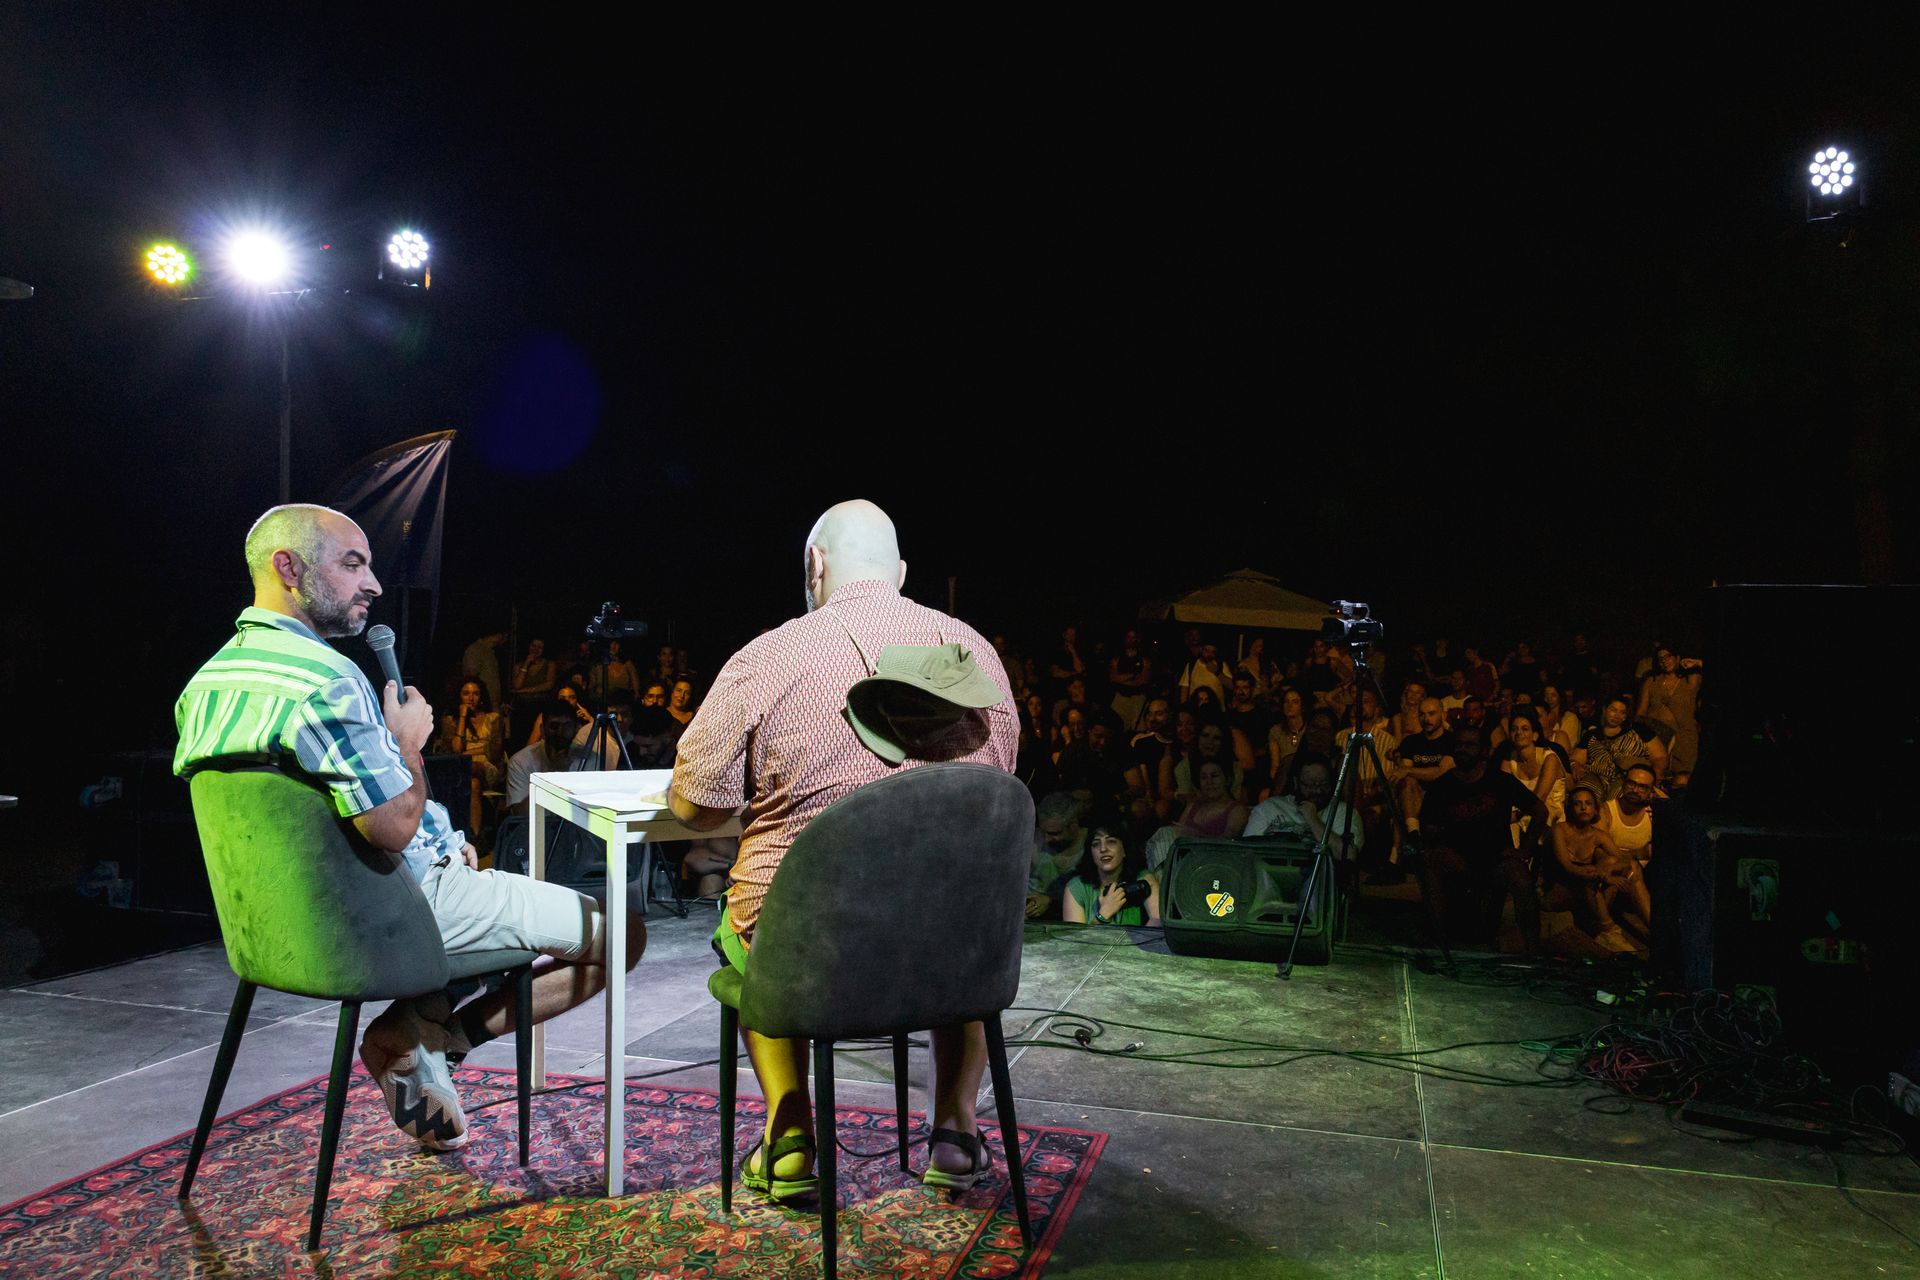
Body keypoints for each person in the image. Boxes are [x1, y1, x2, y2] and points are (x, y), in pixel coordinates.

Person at [175, 504, 642, 1152]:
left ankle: (417, 1028)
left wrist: (443, 841)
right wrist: (409, 744)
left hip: (280, 933)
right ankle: (445, 1039)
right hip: (393, 919)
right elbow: (393, 828)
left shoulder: (204, 684)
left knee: (476, 885)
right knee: (622, 935)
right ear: (289, 568)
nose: (373, 584)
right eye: (353, 565)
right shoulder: (327, 680)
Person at [666, 498, 1018, 1197]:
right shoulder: (976, 654)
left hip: (815, 958)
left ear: (815, 564)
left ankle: (791, 1135)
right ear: (901, 572)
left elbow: (697, 808)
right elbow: (997, 792)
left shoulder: (769, 657)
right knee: (956, 904)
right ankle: (955, 1134)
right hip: (958, 957)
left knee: (757, 915)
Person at [1417, 725, 1548, 951]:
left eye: (1470, 745)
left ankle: (1532, 950)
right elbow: (1429, 831)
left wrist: (1524, 850)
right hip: (1457, 858)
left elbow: (1539, 811)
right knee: (1429, 861)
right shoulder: (1441, 787)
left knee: (1520, 875)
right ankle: (1439, 944)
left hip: (1495, 859)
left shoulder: (1501, 781)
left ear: (1484, 751)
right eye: (1459, 745)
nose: (1463, 749)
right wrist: (1442, 848)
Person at [1546, 782, 1647, 952]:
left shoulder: (1598, 836)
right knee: (1591, 874)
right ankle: (1609, 930)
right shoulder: (1560, 830)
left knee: (1612, 863)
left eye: (1588, 803)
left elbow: (1623, 859)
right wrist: (1604, 876)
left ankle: (1650, 927)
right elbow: (1568, 867)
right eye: (1578, 803)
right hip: (1559, 888)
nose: (1583, 808)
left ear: (1595, 810)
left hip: (1587, 889)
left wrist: (1608, 871)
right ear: (1570, 808)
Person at [1060, 810, 1161, 926]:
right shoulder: (1076, 887)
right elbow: (1074, 936)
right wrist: (1103, 915)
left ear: (1125, 849)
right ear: (1091, 854)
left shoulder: (1143, 879)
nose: (1103, 849)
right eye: (1096, 844)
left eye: (1111, 842)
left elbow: (1158, 921)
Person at [433, 679, 505, 834]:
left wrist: (465, 754)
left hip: (487, 767)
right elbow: (454, 751)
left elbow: (494, 751)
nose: (471, 698)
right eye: (466, 694)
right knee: (473, 784)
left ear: (481, 696)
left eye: (476, 694)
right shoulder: (450, 721)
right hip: (463, 769)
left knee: (468, 765)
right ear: (459, 696)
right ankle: (475, 835)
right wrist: (462, 717)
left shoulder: (493, 718)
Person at [1573, 694, 1669, 799]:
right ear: (1605, 710)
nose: (1616, 715)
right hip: (1596, 776)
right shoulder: (1592, 734)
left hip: (1628, 778)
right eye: (1613, 710)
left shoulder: (1639, 731)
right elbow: (1576, 759)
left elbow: (1660, 757)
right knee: (1584, 794)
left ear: (1625, 716)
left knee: (1620, 795)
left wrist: (1655, 778)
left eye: (1622, 712)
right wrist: (1576, 766)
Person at [1636, 646, 1702, 782]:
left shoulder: (1689, 679)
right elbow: (1641, 712)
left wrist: (1695, 663)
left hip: (1684, 737)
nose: (1664, 661)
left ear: (1677, 658)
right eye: (1661, 658)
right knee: (1654, 775)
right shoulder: (1652, 681)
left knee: (1682, 778)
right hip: (1656, 736)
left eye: (1668, 657)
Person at [1026, 791, 1089, 918]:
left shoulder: (1092, 845)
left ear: (1073, 825)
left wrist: (1051, 899)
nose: (1047, 839)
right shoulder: (1031, 839)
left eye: (1055, 833)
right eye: (1043, 832)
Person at [1173, 759, 1249, 839]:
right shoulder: (1192, 806)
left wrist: (1196, 835)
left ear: (1227, 780)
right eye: (1204, 777)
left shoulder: (1237, 811)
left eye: (1215, 776)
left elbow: (1227, 843)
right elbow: (1177, 835)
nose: (1209, 782)